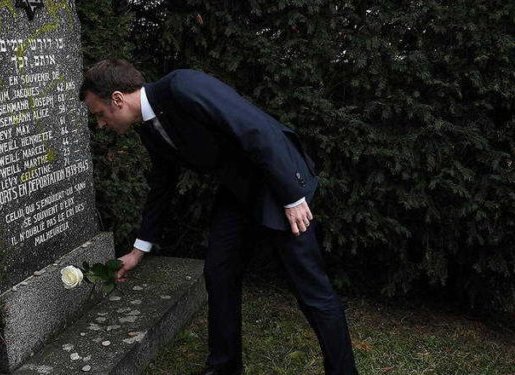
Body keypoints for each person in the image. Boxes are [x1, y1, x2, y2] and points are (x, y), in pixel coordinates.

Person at [79, 59, 358, 375]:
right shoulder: (149, 129)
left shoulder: (183, 85)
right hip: (237, 192)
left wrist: (292, 197)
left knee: (312, 291)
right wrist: (138, 249)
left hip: (278, 185)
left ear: (117, 99)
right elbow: (162, 185)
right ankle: (224, 368)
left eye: (99, 114)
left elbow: (255, 128)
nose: (100, 124)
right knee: (219, 273)